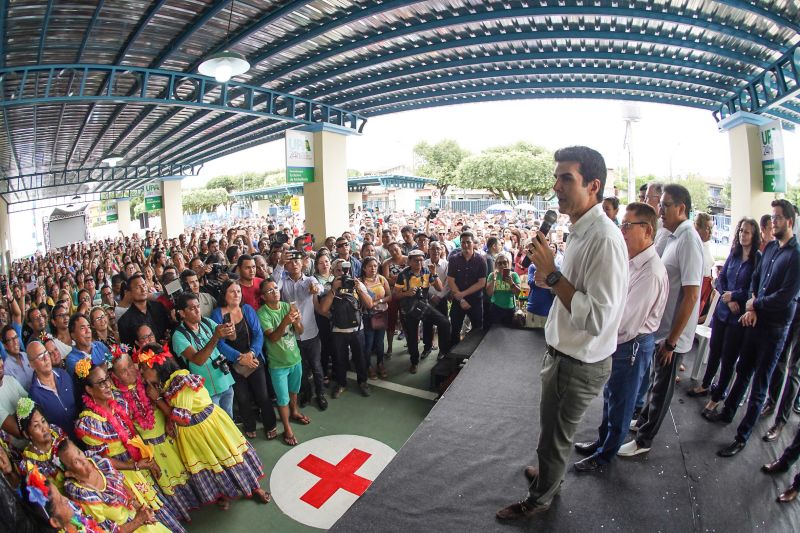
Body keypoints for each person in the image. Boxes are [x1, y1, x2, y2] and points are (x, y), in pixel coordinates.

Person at [496, 146, 628, 520]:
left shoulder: (604, 239)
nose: (556, 186)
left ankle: (539, 500)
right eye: (556, 177)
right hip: (563, 354)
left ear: (593, 185)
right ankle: (550, 476)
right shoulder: (581, 232)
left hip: (577, 362)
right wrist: (550, 275)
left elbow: (597, 318)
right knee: (551, 431)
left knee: (555, 437)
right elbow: (571, 290)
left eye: (566, 178)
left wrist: (553, 275)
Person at [572, 203, 668, 472]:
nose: (621, 230)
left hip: (632, 344)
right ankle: (602, 442)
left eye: (627, 225)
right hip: (623, 342)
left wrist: (596, 326)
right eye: (622, 224)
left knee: (622, 403)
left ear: (647, 231)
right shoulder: (633, 262)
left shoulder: (650, 272)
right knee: (612, 396)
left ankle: (604, 456)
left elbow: (626, 323)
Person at [709, 200, 800, 457]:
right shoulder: (770, 248)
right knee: (742, 369)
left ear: (790, 222)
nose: (773, 222)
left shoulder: (796, 256)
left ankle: (742, 436)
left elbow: (785, 297)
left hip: (774, 329)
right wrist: (751, 308)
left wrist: (753, 304)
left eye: (778, 218)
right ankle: (727, 413)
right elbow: (757, 281)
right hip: (755, 321)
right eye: (772, 217)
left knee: (759, 383)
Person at [619, 184, 703, 457]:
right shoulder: (673, 235)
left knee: (662, 387)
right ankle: (643, 421)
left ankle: (644, 440)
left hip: (672, 335)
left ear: (681, 208)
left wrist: (672, 341)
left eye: (665, 205)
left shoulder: (689, 240)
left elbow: (691, 295)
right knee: (655, 381)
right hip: (662, 328)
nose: (660, 210)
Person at [138, 348, 271, 508]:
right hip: (193, 433)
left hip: (207, 426)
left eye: (144, 368)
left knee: (227, 454)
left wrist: (158, 399)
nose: (141, 372)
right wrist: (167, 418)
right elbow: (175, 408)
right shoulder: (165, 383)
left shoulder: (180, 380)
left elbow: (182, 418)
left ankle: (254, 488)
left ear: (156, 367)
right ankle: (224, 493)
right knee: (209, 464)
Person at [73, 362, 183, 531]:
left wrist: (145, 458)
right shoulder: (88, 424)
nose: (108, 385)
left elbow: (131, 435)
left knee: (158, 505)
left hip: (137, 463)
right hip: (121, 475)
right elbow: (101, 460)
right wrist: (134, 466)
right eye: (101, 383)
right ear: (89, 390)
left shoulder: (117, 403)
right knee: (146, 515)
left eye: (107, 379)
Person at [109, 347, 198, 521]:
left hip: (167, 434)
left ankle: (196, 500)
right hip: (148, 445)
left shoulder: (148, 379)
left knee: (182, 468)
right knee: (165, 478)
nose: (130, 372)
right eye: (123, 371)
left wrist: (170, 420)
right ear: (115, 376)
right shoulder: (116, 396)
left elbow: (169, 401)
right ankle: (181, 513)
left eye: (131, 366)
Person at [687, 218, 759, 403]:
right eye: (741, 231)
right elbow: (721, 279)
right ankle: (705, 385)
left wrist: (734, 296)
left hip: (738, 316)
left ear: (754, 235)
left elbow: (753, 287)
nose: (743, 235)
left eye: (747, 232)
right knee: (714, 351)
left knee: (728, 357)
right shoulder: (734, 253)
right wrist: (728, 299)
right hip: (722, 312)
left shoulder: (756, 259)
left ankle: (717, 396)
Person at [59, 438, 172, 532]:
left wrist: (139, 508)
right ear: (70, 473)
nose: (83, 460)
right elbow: (105, 530)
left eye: (79, 452)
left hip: (135, 517)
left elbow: (121, 486)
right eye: (76, 462)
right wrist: (138, 521)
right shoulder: (84, 498)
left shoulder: (99, 464)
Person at [212, 280, 278, 440]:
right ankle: (249, 425)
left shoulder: (247, 309)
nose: (236, 295)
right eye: (232, 291)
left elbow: (258, 334)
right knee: (242, 397)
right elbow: (219, 344)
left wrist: (252, 353)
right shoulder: (217, 314)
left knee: (262, 395)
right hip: (233, 363)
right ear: (224, 294)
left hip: (253, 358)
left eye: (239, 291)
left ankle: (271, 424)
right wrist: (239, 358)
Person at [258, 278, 310, 445]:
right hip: (278, 364)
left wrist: (296, 322)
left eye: (276, 288)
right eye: (270, 290)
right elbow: (272, 338)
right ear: (264, 297)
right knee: (282, 399)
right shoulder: (262, 313)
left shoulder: (287, 307)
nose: (275, 292)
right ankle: (287, 428)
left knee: (294, 390)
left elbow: (300, 331)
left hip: (295, 359)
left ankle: (294, 411)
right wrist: (285, 322)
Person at [171, 293, 236, 418]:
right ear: (182, 313)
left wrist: (230, 330)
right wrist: (216, 336)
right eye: (192, 308)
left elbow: (232, 338)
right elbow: (198, 360)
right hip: (207, 390)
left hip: (224, 379)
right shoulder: (178, 335)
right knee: (216, 424)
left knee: (230, 419)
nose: (197, 311)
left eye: (198, 306)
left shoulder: (206, 322)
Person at [318, 259, 374, 398]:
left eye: (346, 270)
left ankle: (363, 382)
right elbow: (323, 309)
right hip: (338, 330)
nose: (343, 273)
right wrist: (333, 289)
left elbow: (369, 304)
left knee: (360, 358)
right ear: (333, 271)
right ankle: (341, 383)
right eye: (339, 270)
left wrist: (359, 289)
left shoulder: (356, 283)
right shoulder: (328, 286)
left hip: (357, 329)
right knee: (339, 359)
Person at [279, 250, 327, 411]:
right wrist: (279, 264)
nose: (294, 264)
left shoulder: (310, 280)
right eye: (290, 262)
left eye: (297, 261)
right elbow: (273, 283)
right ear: (286, 264)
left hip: (311, 332)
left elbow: (319, 288)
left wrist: (316, 289)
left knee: (316, 366)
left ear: (302, 263)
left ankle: (320, 394)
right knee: (302, 369)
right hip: (292, 334)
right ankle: (307, 393)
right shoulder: (282, 281)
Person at [394, 250, 451, 374]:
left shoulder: (426, 271)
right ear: (409, 261)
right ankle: (414, 362)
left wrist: (434, 274)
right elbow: (395, 295)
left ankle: (444, 352)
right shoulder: (403, 275)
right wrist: (406, 293)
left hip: (424, 306)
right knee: (412, 338)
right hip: (409, 309)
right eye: (416, 260)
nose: (419, 262)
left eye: (421, 260)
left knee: (444, 322)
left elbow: (439, 288)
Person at [26, 341, 76, 441]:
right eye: (40, 356)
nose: (46, 358)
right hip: (63, 445)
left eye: (45, 353)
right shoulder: (34, 395)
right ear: (32, 365)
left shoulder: (63, 374)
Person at [15, 398, 68, 490]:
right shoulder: (28, 464)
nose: (44, 428)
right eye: (36, 426)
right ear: (26, 434)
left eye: (43, 421)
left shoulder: (56, 432)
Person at [447, 231, 487, 346]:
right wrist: (461, 299)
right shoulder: (454, 259)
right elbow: (450, 280)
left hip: (475, 300)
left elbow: (481, 283)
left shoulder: (481, 260)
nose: (465, 245)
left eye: (468, 242)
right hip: (458, 300)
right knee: (454, 329)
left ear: (473, 243)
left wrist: (463, 294)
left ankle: (474, 355)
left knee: (477, 329)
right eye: (463, 242)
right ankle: (454, 356)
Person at [117, 273, 172, 346]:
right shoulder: (124, 321)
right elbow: (128, 348)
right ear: (129, 293)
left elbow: (168, 328)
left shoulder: (158, 306)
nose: (143, 289)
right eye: (138, 287)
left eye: (144, 285)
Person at [360, 256, 391, 379]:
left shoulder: (382, 279)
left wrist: (378, 301)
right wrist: (370, 304)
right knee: (368, 343)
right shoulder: (360, 282)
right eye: (370, 266)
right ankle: (368, 366)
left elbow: (390, 296)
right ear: (364, 268)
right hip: (367, 316)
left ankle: (380, 363)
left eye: (375, 266)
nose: (373, 268)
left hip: (381, 315)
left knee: (379, 342)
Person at [424, 241, 450, 356]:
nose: (436, 251)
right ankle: (427, 347)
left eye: (438, 249)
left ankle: (442, 350)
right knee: (427, 324)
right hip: (427, 299)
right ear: (429, 250)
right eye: (433, 249)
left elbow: (448, 284)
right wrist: (430, 296)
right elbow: (422, 283)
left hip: (441, 299)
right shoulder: (424, 264)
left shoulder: (446, 264)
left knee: (443, 324)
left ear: (441, 250)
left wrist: (439, 296)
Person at [382, 242, 407, 355]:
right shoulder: (386, 263)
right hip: (392, 295)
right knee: (391, 321)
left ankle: (412, 344)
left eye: (395, 249)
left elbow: (412, 277)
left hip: (407, 295)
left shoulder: (408, 259)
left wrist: (396, 279)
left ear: (400, 248)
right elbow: (386, 280)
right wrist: (402, 279)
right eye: (391, 250)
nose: (393, 252)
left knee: (407, 320)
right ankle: (390, 347)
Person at [485, 254, 521, 328]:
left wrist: (511, 283)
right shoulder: (492, 275)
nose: (502, 265)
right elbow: (489, 293)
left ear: (508, 264)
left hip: (510, 309)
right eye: (500, 263)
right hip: (496, 308)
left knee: (509, 334)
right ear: (496, 264)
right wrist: (494, 279)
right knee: (495, 332)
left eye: (505, 263)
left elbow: (518, 293)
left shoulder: (514, 275)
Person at [695, 212, 715, 319]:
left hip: (706, 291)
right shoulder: (696, 248)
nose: (711, 232)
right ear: (698, 228)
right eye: (707, 228)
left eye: (711, 228)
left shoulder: (707, 245)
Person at [1, 324, 33, 390]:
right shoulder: (7, 369)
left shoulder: (26, 355)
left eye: (16, 337)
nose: (15, 342)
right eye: (11, 340)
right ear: (5, 346)